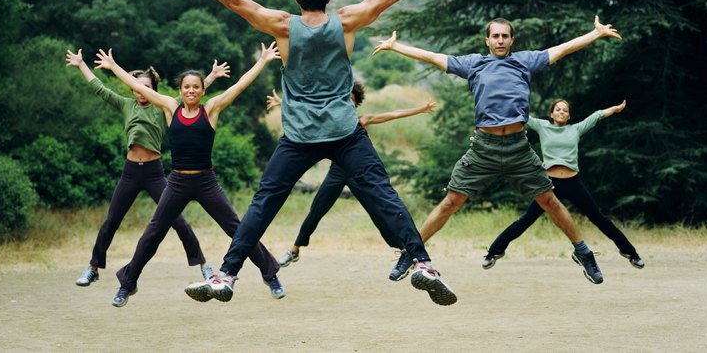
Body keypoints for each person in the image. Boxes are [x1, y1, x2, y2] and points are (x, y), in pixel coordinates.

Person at [160, 0, 465, 306]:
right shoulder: (348, 21)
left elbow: (234, 1)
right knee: (383, 194)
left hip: (300, 135)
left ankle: (226, 275)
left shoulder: (283, 26)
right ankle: (422, 264)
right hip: (344, 131)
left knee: (264, 203)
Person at [372, 15, 622, 285]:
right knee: (451, 202)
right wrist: (397, 47)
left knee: (549, 201)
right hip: (483, 148)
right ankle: (411, 253)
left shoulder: (524, 61)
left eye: (505, 36)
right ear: (487, 40)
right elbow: (434, 57)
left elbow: (561, 49)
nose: (500, 40)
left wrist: (594, 34)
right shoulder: (474, 64)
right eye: (496, 36)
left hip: (518, 148)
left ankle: (583, 253)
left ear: (512, 40)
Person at [92, 43, 284, 307]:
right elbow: (140, 88)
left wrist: (262, 61)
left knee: (238, 229)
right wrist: (114, 67)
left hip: (206, 181)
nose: (191, 90)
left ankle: (270, 275)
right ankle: (127, 284)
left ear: (203, 89)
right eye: (186, 87)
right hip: (178, 182)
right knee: (154, 232)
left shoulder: (212, 109)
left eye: (196, 87)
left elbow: (239, 86)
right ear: (180, 90)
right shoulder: (171, 108)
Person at [65, 49, 228, 288]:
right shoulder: (125, 105)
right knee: (111, 220)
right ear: (133, 89)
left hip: (154, 172)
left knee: (179, 221)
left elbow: (191, 95)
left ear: (154, 90)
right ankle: (93, 268)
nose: (143, 92)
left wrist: (211, 77)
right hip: (130, 172)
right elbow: (99, 88)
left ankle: (204, 266)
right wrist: (81, 65)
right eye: (138, 87)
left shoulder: (163, 107)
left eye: (148, 88)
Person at [265, 83, 438, 268]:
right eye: (344, 98)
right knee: (316, 210)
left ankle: (407, 252)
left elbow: (394, 114)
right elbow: (309, 111)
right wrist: (282, 102)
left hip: (358, 174)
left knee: (379, 214)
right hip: (337, 173)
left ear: (355, 104)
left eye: (351, 99)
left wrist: (421, 109)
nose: (347, 101)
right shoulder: (330, 119)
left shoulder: (362, 120)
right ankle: (294, 250)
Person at [482, 98, 645, 270]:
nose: (561, 112)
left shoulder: (575, 129)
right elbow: (520, 116)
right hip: (549, 184)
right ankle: (493, 252)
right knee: (527, 219)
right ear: (552, 114)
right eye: (558, 109)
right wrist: (498, 102)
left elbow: (597, 116)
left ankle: (630, 253)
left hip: (573, 183)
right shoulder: (542, 126)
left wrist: (615, 108)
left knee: (598, 217)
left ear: (568, 116)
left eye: (565, 110)